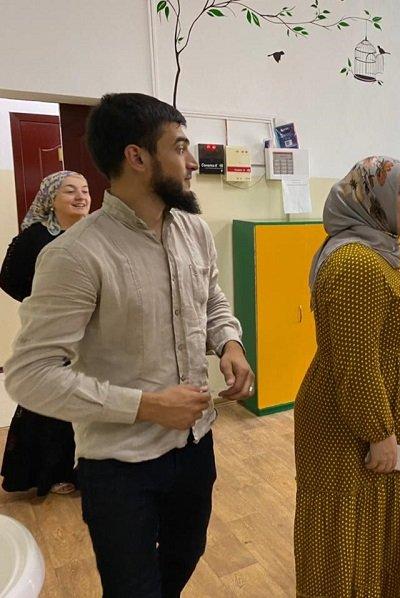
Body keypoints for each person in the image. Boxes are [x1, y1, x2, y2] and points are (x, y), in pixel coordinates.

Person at [4, 92, 254, 598]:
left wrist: (229, 342)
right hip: (120, 464)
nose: (191, 162)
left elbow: (212, 298)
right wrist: (146, 406)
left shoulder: (194, 232)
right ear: (136, 157)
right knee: (132, 587)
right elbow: (30, 375)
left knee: (186, 554)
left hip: (195, 445)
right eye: (179, 147)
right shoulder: (76, 255)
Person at [294, 156, 400, 597]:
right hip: (348, 425)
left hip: (368, 416)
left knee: (370, 524)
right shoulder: (356, 264)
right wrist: (379, 431)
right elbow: (356, 364)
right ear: (373, 198)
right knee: (347, 532)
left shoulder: (375, 252)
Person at [0, 170, 90, 496]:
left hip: (90, 331)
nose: (80, 197)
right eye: (70, 191)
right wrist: (43, 304)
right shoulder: (35, 238)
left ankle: (90, 469)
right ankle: (51, 471)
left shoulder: (96, 233)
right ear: (51, 199)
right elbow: (9, 279)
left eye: (85, 190)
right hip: (53, 333)